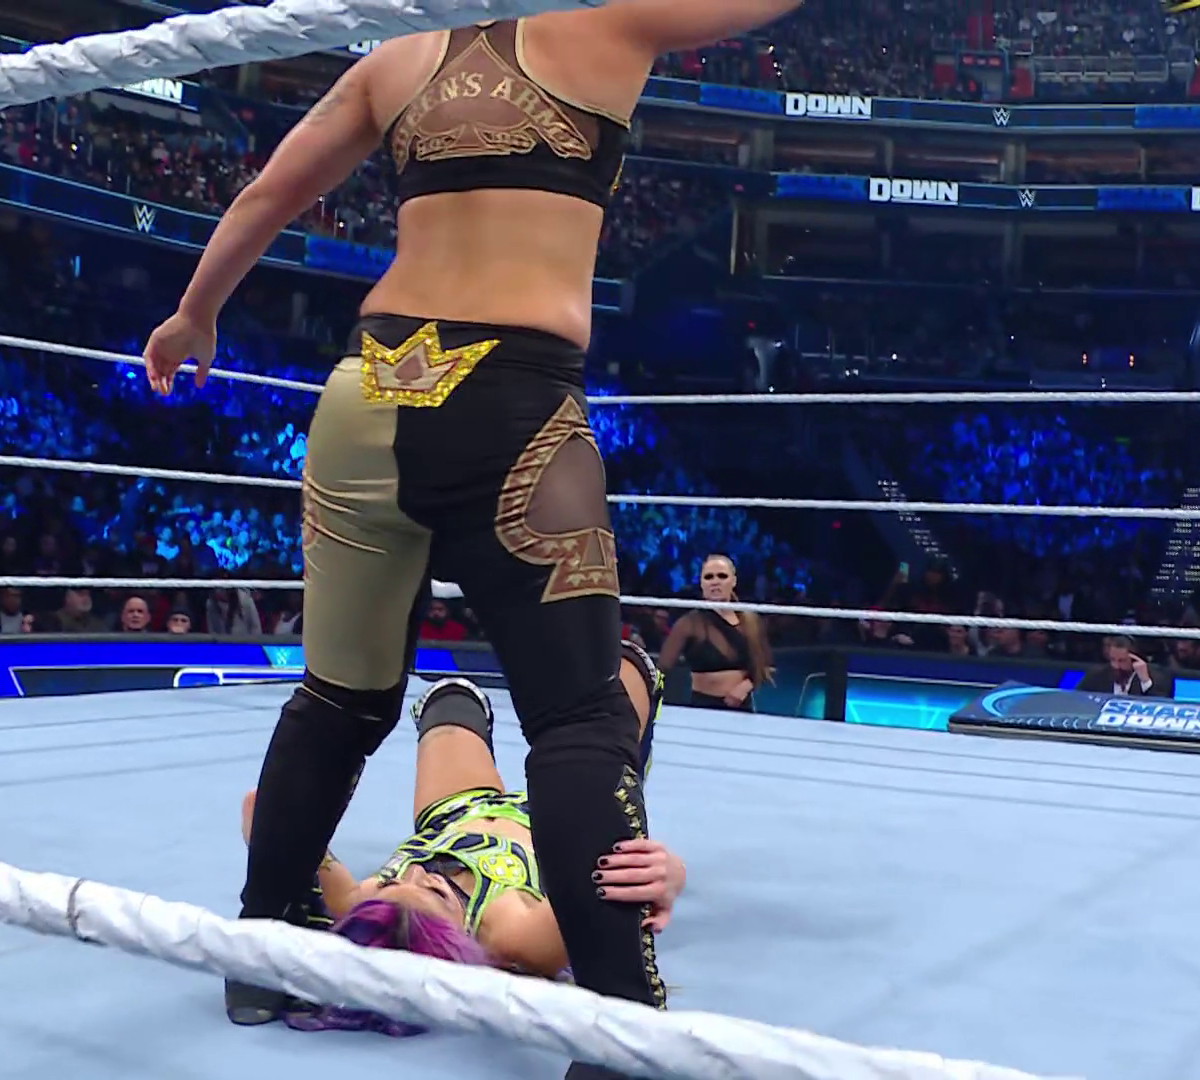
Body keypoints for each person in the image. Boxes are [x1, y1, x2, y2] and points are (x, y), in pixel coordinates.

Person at [141, 3, 804, 1066]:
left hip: (366, 391)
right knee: (580, 719)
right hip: (512, 400)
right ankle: (619, 1023)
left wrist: (195, 314)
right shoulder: (605, 28)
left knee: (340, 698)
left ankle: (262, 955)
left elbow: (269, 192)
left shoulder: (393, 57)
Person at [250, 650, 679, 1037]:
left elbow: (259, 810)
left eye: (392, 882)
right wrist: (667, 875)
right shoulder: (514, 936)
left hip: (454, 811)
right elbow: (614, 887)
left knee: (450, 698)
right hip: (562, 819)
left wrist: (305, 892)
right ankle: (628, 758)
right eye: (435, 893)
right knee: (611, 673)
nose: (418, 873)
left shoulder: (363, 907)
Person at [657, 554, 772, 711]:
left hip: (743, 707)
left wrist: (745, 687)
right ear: (701, 583)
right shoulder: (689, 623)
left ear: (733, 581)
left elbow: (765, 665)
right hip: (703, 707)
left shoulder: (751, 620)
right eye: (709, 577)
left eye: (722, 576)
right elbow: (662, 668)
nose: (715, 582)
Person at [1076, 636, 1174, 697]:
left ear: (1134, 659)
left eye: (1121, 661)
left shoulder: (1158, 677)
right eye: (1113, 660)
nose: (1116, 666)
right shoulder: (1096, 675)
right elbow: (1077, 699)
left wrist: (1145, 681)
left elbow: (1162, 709)